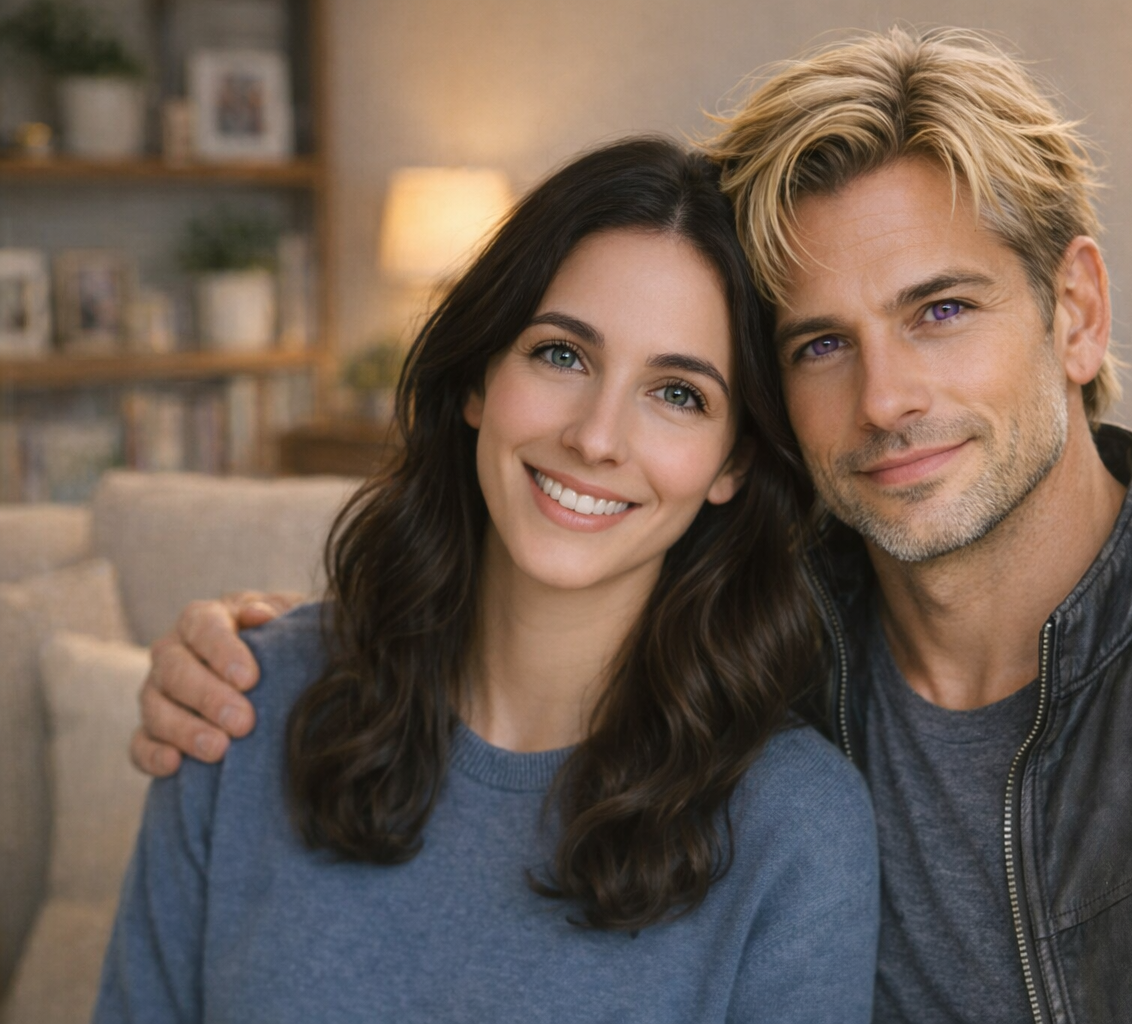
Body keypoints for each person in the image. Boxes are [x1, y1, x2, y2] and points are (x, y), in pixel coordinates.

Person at [131, 28, 1132, 1023]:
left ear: (1076, 311)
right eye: (818, 344)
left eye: (941, 309)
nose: (886, 398)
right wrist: (256, 654)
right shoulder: (747, 655)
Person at [95, 137, 879, 1024]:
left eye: (678, 394)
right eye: (562, 355)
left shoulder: (795, 830)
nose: (596, 437)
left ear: (732, 463)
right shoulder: (237, 704)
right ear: (479, 378)